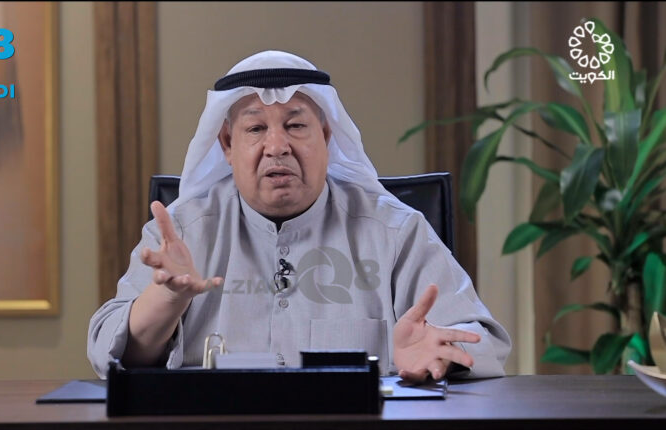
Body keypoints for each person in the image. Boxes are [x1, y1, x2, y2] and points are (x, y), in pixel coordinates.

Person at [87, 50, 511, 382]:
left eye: (295, 126)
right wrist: (167, 300)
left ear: (325, 135)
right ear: (227, 144)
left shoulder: (395, 231)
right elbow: (109, 353)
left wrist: (435, 358)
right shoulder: (182, 231)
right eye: (256, 129)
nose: (277, 146)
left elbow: (484, 340)